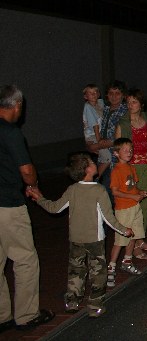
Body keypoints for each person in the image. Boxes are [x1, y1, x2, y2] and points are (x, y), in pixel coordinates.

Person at [27, 153, 132, 317]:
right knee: (98, 272)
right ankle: (94, 306)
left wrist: (40, 198)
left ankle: (72, 302)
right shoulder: (98, 190)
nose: (94, 162)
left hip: (75, 239)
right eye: (91, 162)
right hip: (95, 240)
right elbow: (108, 218)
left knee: (76, 271)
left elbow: (54, 208)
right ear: (88, 169)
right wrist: (124, 230)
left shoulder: (72, 189)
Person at [0, 85, 54, 332]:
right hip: (9, 205)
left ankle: (2, 316)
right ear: (17, 105)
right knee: (25, 259)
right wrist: (33, 185)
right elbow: (26, 170)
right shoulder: (11, 133)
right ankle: (26, 315)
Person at [114, 88, 147, 256]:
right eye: (128, 102)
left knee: (146, 204)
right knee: (133, 207)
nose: (130, 105)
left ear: (141, 104)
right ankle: (133, 246)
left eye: (134, 102)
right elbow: (118, 149)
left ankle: (140, 239)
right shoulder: (123, 123)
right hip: (131, 168)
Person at [106, 138, 147, 288]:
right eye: (125, 150)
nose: (129, 152)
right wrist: (133, 196)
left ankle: (127, 261)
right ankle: (111, 267)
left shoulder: (131, 168)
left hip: (135, 207)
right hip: (124, 209)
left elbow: (132, 187)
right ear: (116, 153)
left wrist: (140, 192)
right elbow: (115, 192)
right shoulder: (117, 170)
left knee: (134, 235)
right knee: (120, 239)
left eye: (131, 150)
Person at [86, 80, 128, 199]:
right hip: (102, 155)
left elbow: (122, 138)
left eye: (117, 93)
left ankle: (112, 216)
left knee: (109, 190)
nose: (114, 96)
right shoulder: (104, 109)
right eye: (111, 93)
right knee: (99, 191)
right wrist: (92, 144)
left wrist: (99, 145)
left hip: (115, 159)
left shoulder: (125, 112)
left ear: (123, 95)